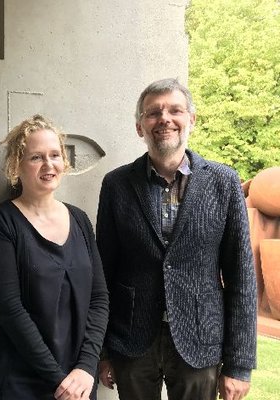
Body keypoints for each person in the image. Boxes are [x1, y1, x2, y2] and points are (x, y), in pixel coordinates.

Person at [96, 78, 257, 400]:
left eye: (175, 110)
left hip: (201, 339)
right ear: (140, 127)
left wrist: (239, 365)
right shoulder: (116, 185)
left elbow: (241, 276)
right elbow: (103, 274)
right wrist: (102, 351)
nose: (164, 119)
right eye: (153, 113)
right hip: (132, 340)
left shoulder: (223, 182)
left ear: (191, 120)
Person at [0, 115, 109, 400]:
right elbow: (9, 308)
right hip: (19, 381)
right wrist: (58, 380)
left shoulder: (80, 220)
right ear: (17, 165)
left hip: (78, 383)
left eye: (54, 155)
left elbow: (99, 299)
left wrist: (86, 367)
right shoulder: (2, 222)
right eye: (36, 157)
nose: (48, 165)